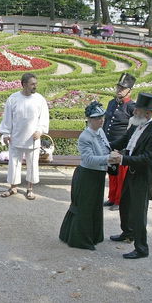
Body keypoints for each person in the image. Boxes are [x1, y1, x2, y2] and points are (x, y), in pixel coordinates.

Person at [59, 102, 121, 250]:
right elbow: (88, 159)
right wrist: (108, 159)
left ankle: (94, 236)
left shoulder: (100, 131)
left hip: (98, 176)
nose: (101, 120)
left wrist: (112, 154)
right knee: (84, 208)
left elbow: (105, 148)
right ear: (89, 119)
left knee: (94, 207)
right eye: (97, 118)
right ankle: (80, 240)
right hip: (87, 176)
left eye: (102, 117)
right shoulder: (85, 137)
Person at [109, 93, 152, 259]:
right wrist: (104, 145)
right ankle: (128, 233)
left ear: (147, 113)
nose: (134, 112)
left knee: (139, 213)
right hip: (131, 171)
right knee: (125, 204)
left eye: (137, 110)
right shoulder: (135, 124)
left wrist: (123, 159)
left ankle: (141, 248)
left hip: (142, 175)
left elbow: (147, 158)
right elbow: (123, 140)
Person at [0, 73, 49, 200]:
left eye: (35, 84)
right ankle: (13, 187)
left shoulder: (40, 99)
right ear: (24, 84)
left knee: (32, 164)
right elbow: (7, 118)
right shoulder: (13, 98)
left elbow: (44, 118)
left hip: (33, 139)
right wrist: (5, 133)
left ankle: (30, 189)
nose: (35, 86)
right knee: (14, 164)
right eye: (32, 84)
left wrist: (40, 131)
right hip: (16, 138)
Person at [103, 73, 136, 210]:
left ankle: (119, 200)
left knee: (121, 176)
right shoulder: (112, 103)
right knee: (112, 173)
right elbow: (107, 123)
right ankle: (112, 198)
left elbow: (134, 128)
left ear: (130, 91)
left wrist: (124, 146)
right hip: (110, 144)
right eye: (119, 87)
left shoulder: (132, 107)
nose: (120, 90)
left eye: (123, 88)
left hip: (122, 147)